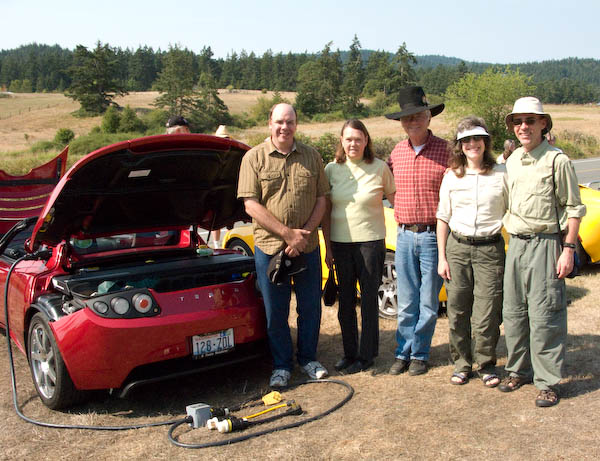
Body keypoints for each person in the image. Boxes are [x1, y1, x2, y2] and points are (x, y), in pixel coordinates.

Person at [500, 96, 586, 407]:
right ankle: (518, 369)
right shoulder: (511, 161)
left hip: (547, 245)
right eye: (518, 121)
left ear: (543, 124)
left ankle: (548, 382)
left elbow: (574, 209)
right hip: (517, 246)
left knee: (545, 314)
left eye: (530, 121)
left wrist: (568, 249)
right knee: (514, 312)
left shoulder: (557, 161)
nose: (524, 126)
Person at [237, 103, 330, 387]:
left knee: (310, 307)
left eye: (289, 122)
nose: (284, 127)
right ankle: (281, 365)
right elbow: (251, 205)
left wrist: (302, 236)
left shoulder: (312, 157)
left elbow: (321, 200)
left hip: (307, 247)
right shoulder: (253, 158)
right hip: (269, 248)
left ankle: (308, 359)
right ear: (270, 123)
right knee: (276, 311)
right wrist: (287, 234)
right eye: (279, 122)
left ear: (296, 124)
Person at [436, 116, 507, 387]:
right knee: (457, 310)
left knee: (487, 312)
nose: (472, 144)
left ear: (485, 142)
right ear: (459, 145)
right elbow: (443, 217)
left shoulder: (501, 173)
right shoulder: (452, 176)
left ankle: (486, 364)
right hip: (457, 249)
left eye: (476, 139)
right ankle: (462, 363)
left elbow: (512, 209)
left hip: (490, 249)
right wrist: (442, 257)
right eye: (466, 140)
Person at [322, 119, 395, 374]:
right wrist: (328, 247)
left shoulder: (379, 168)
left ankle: (367, 355)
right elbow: (326, 210)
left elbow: (395, 199)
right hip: (340, 244)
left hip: (370, 244)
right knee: (345, 302)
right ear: (342, 141)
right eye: (348, 139)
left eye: (358, 139)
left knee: (367, 301)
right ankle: (349, 352)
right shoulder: (331, 169)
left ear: (367, 141)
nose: (353, 143)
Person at [385, 86, 449, 376]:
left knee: (428, 300)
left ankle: (420, 354)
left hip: (433, 236)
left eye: (418, 116)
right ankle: (403, 351)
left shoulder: (446, 150)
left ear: (428, 117)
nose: (413, 122)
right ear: (402, 122)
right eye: (407, 118)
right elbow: (383, 184)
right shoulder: (396, 152)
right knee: (407, 299)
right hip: (403, 234)